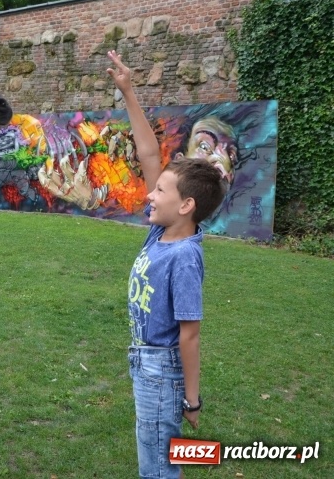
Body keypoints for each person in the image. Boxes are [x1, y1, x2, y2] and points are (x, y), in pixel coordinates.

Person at [106, 50, 227, 479]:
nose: (149, 195)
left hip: (162, 368)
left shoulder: (184, 256)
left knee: (157, 466)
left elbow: (190, 334)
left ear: (187, 205)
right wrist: (128, 91)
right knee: (155, 451)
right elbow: (148, 154)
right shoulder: (163, 233)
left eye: (159, 191)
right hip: (145, 361)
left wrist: (192, 400)